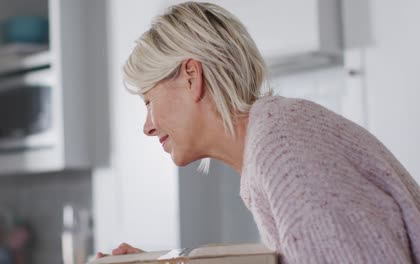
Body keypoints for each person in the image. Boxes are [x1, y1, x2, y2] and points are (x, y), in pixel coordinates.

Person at [97, 2, 420, 263]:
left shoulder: (284, 149)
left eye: (149, 100)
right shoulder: (272, 144)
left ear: (191, 77)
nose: (147, 126)